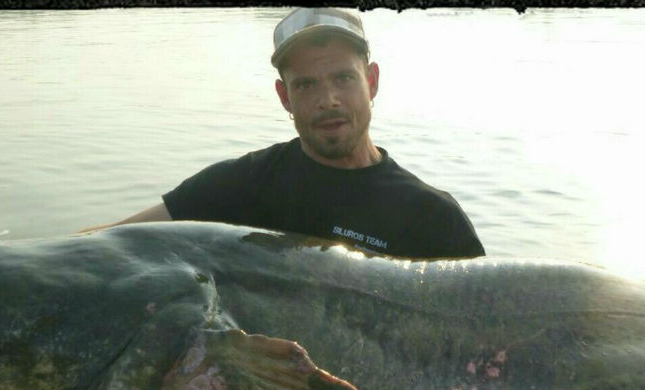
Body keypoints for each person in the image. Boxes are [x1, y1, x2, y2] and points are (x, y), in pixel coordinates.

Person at [84, 7, 485, 259]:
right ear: (284, 97)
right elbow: (109, 245)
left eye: (343, 78)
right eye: (305, 85)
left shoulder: (434, 219)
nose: (328, 100)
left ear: (372, 81)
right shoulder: (241, 184)